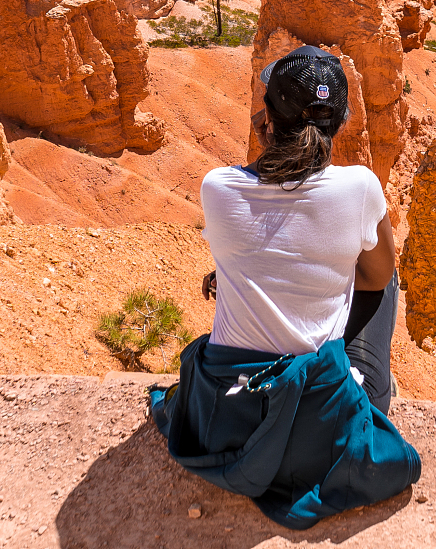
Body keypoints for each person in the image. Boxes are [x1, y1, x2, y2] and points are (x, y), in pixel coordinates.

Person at [147, 45, 420, 529]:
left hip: (228, 416)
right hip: (321, 430)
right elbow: (375, 278)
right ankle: (368, 382)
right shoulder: (360, 187)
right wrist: (333, 270)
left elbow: (264, 229)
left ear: (266, 118)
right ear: (339, 124)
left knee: (234, 272)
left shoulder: (218, 187)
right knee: (384, 273)